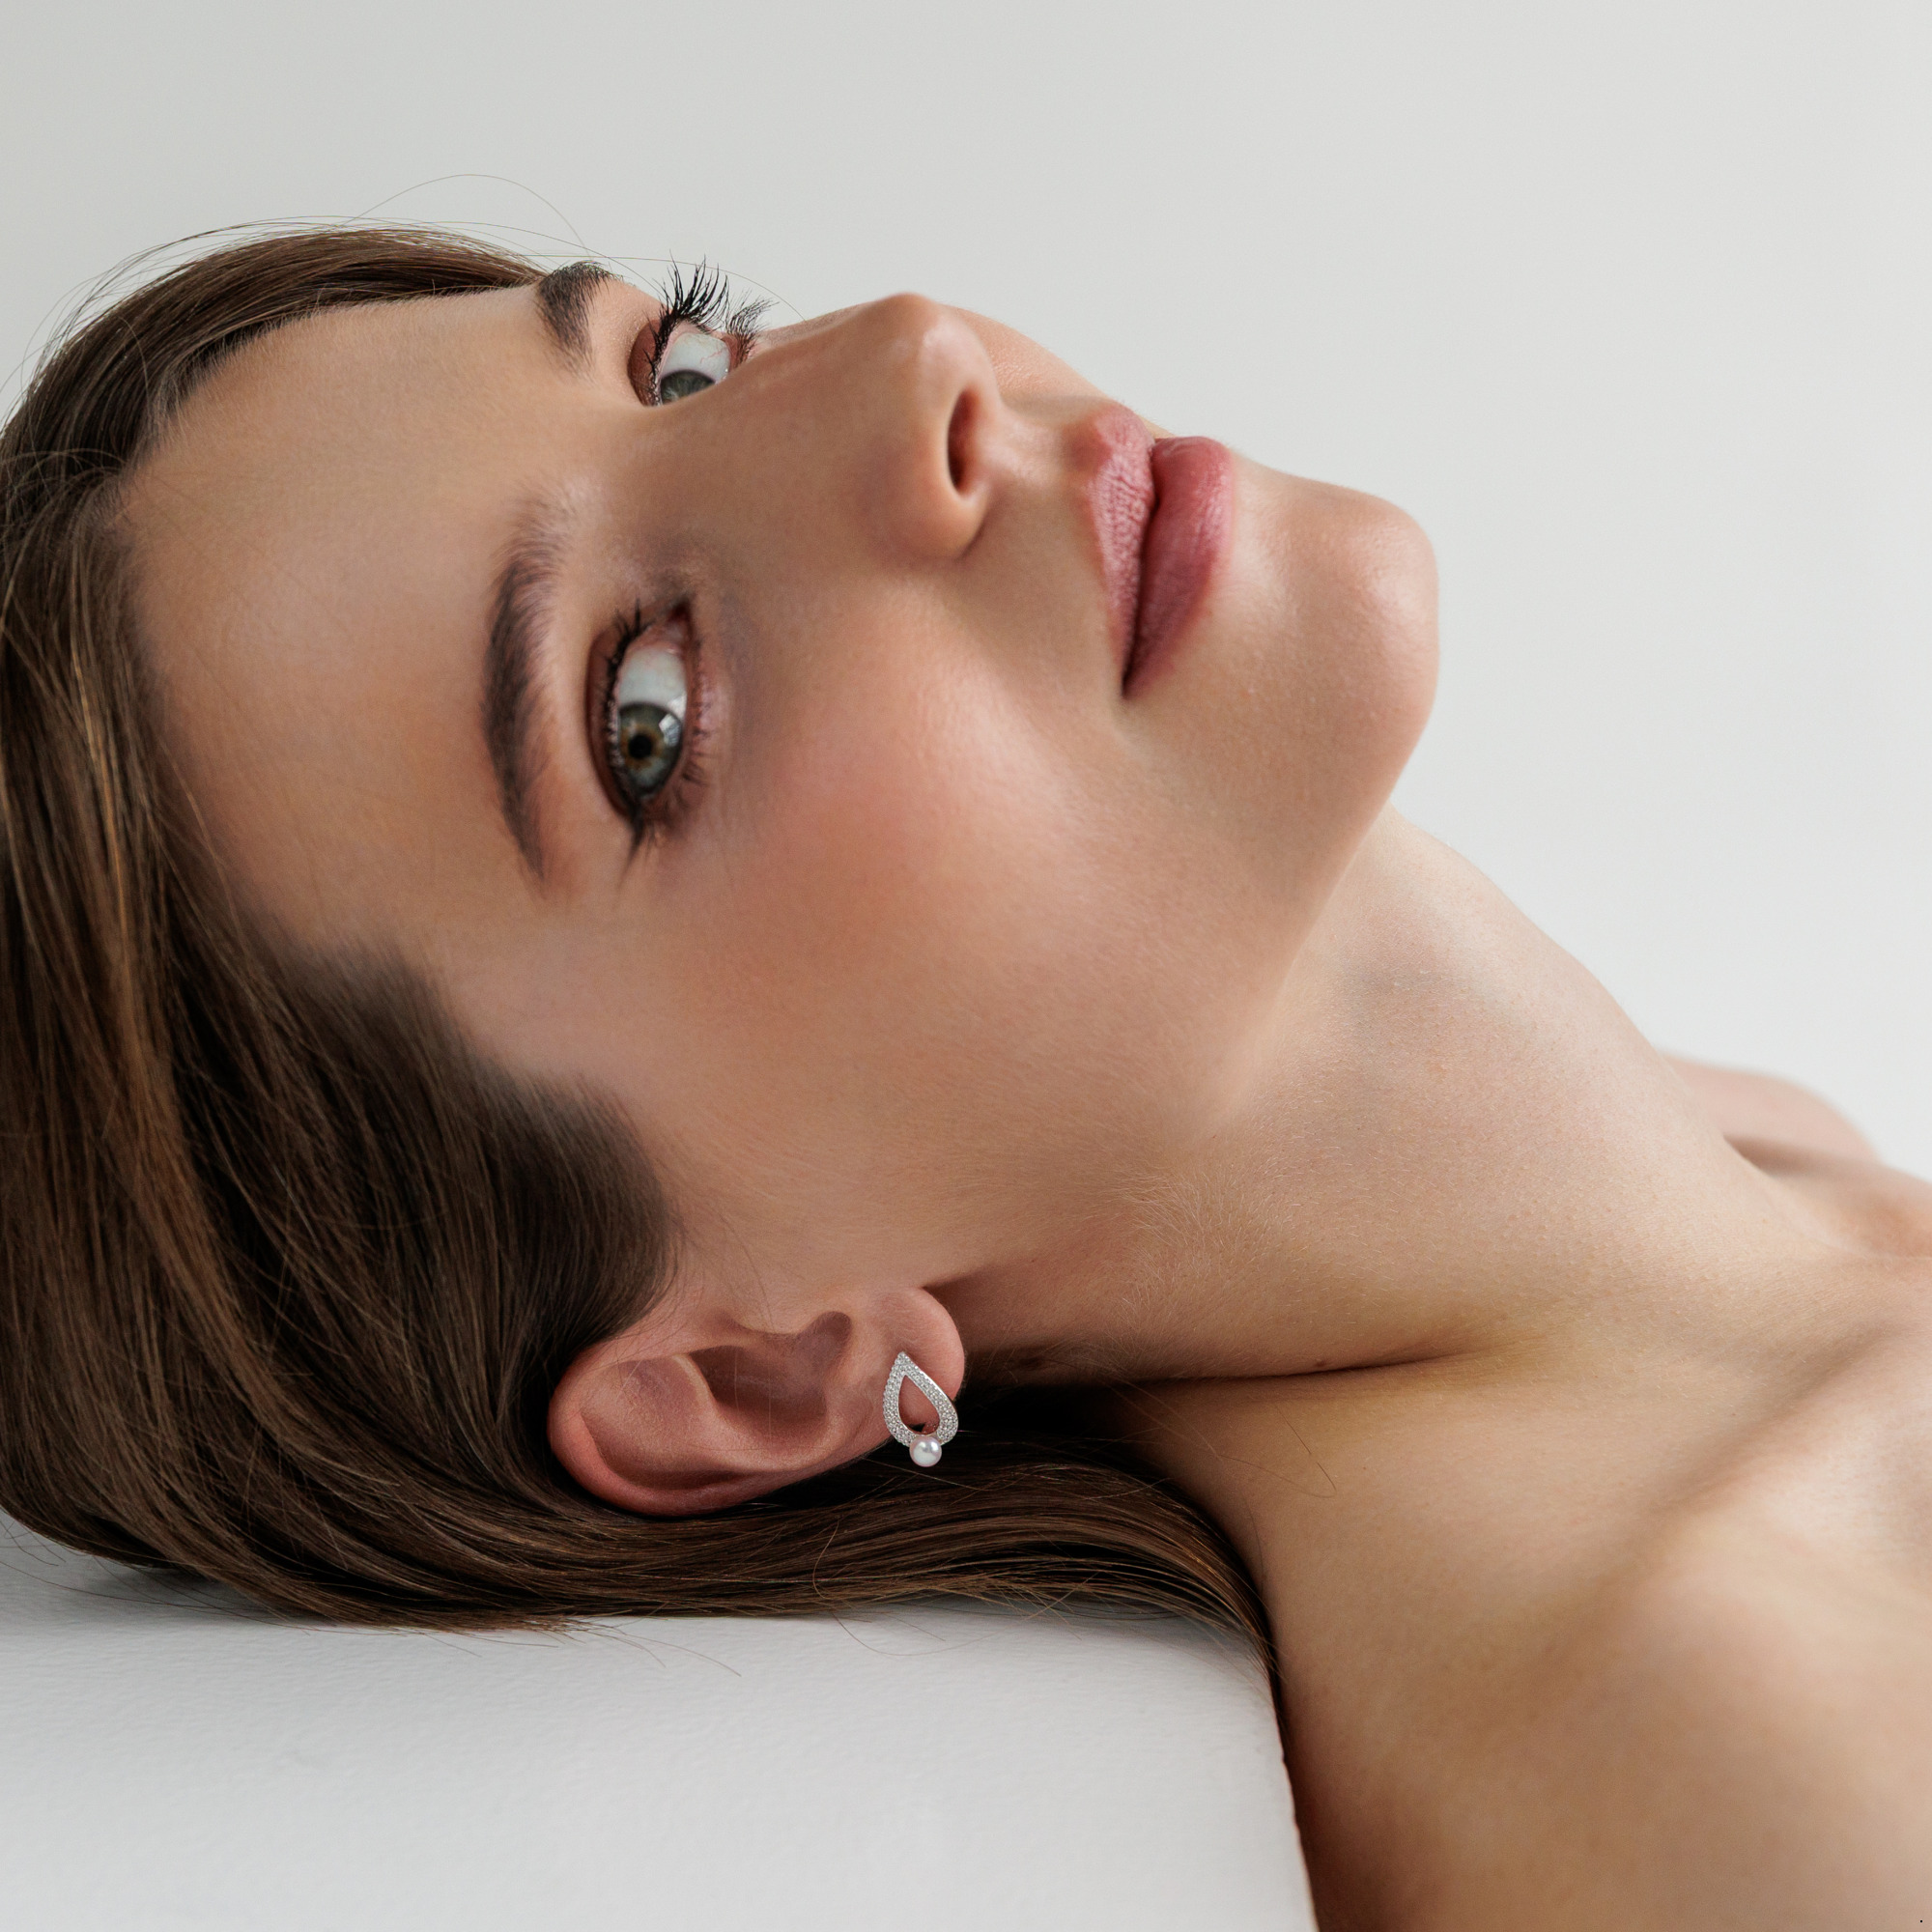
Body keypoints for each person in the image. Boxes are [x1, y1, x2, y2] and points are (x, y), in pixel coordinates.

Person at [2, 225, 1927, 1925]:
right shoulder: (1767, 1797)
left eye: (685, 361)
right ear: (752, 1372)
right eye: (643, 713)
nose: (911, 356)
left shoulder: (1767, 1170)